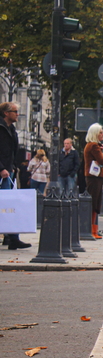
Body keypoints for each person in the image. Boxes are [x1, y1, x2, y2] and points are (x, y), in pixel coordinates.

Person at [0, 102, 32, 250]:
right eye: (15, 111)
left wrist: (12, 167)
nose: (17, 114)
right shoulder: (1, 128)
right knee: (5, 205)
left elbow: (12, 151)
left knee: (10, 205)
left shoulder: (11, 129)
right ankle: (11, 237)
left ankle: (12, 238)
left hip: (9, 171)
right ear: (6, 113)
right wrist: (1, 168)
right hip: (2, 172)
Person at [84, 123, 103, 240]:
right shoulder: (94, 146)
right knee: (94, 203)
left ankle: (93, 229)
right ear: (95, 134)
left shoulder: (91, 145)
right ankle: (91, 230)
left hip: (94, 177)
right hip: (94, 177)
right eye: (100, 132)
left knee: (95, 203)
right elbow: (102, 161)